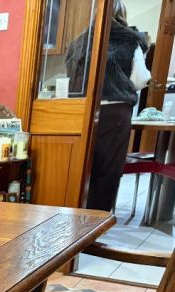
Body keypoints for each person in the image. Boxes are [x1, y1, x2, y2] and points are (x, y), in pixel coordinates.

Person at [66, 0, 151, 211]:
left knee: (81, 168)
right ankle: (96, 226)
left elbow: (71, 75)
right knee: (107, 172)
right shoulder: (131, 41)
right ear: (122, 14)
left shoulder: (79, 41)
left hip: (81, 110)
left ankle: (74, 224)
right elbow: (140, 79)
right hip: (115, 113)